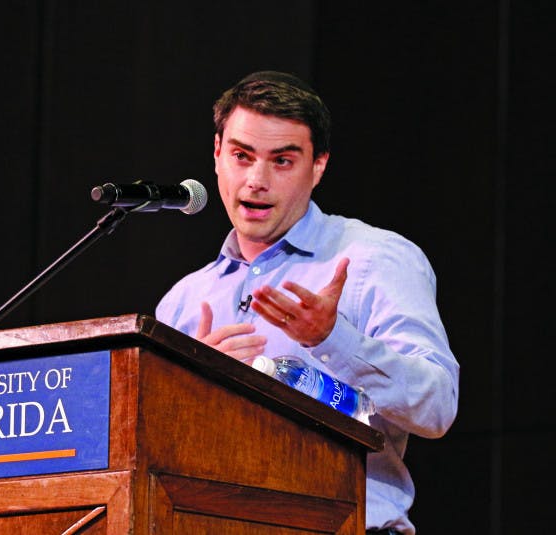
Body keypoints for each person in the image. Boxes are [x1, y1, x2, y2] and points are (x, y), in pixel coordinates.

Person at [155, 70, 459, 535]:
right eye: (241, 156)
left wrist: (332, 338)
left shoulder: (374, 259)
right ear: (217, 155)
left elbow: (436, 407)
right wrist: (193, 392)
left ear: (317, 166)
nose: (255, 181)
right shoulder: (183, 301)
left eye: (282, 161)